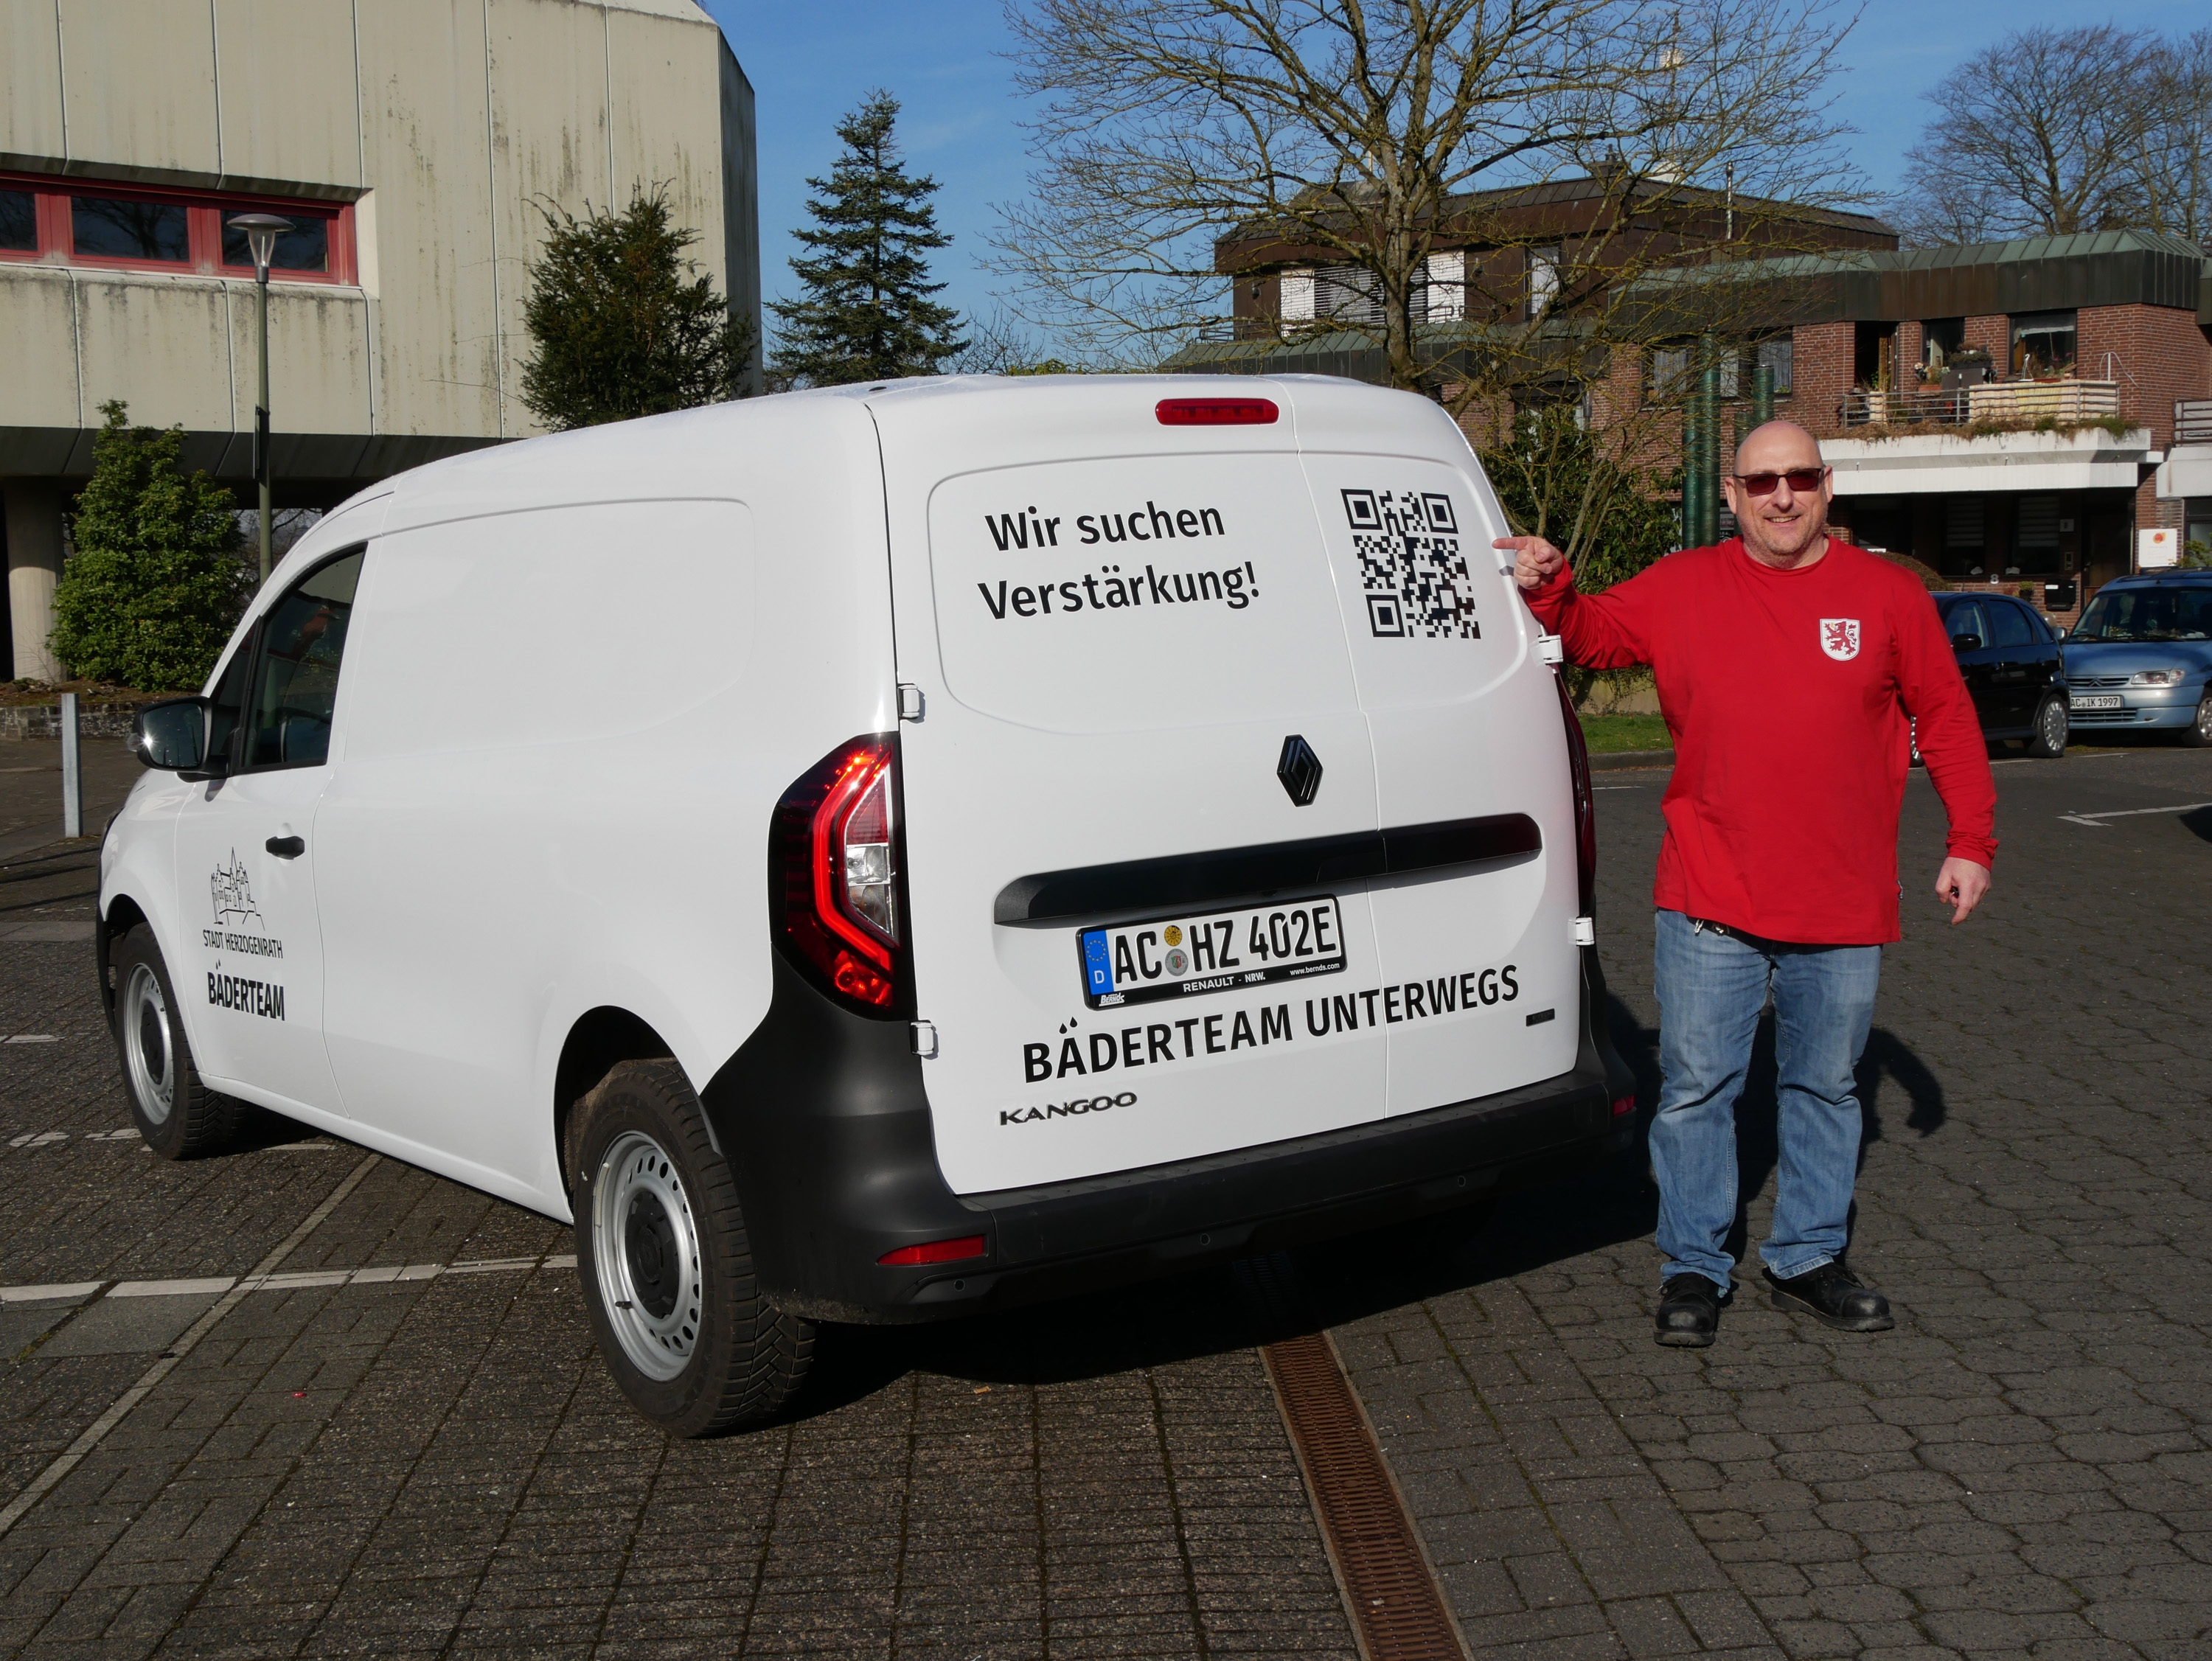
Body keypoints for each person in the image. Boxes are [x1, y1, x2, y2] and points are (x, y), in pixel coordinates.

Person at [1498, 420, 1996, 1348]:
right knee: (1696, 1090)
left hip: (1842, 901)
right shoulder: (1686, 584)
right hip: (1708, 896)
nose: (1781, 496)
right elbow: (1597, 638)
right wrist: (1554, 585)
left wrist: (1972, 840)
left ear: (1827, 487)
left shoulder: (1887, 594)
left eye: (1798, 478)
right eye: (1761, 481)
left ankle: (1807, 1257)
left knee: (1826, 1087)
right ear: (1731, 495)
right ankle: (1694, 1263)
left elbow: (1949, 717)